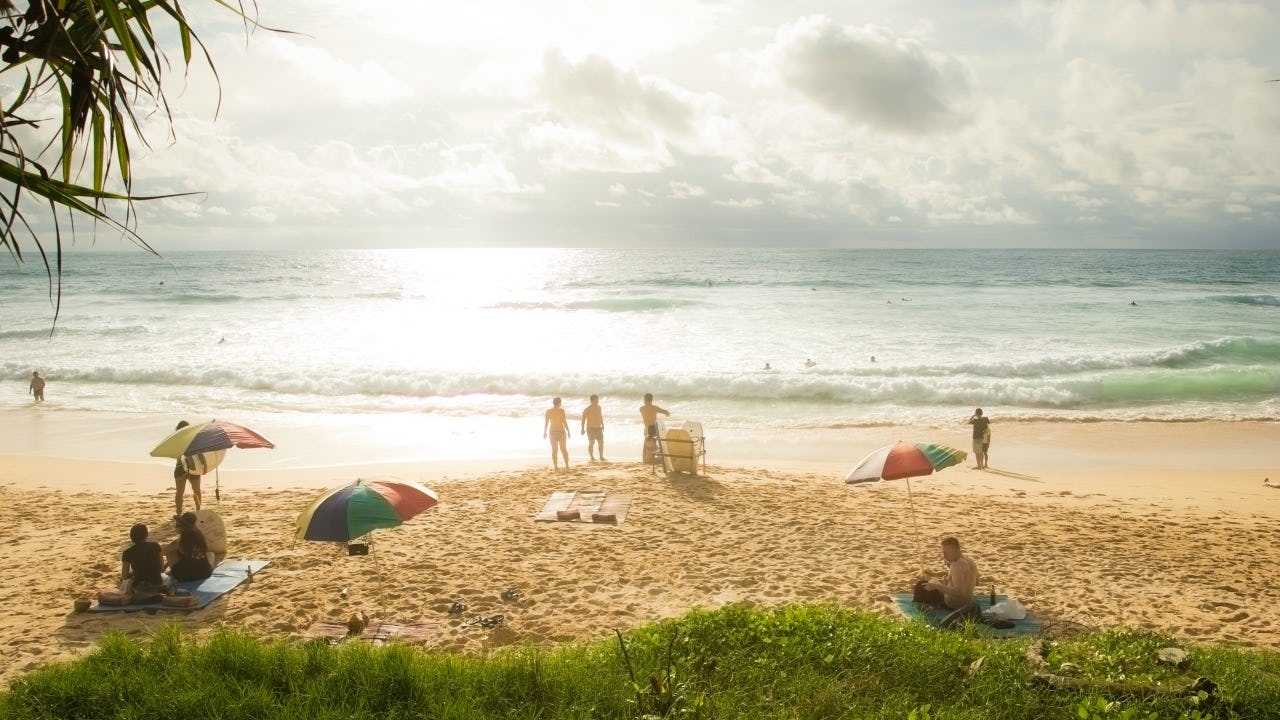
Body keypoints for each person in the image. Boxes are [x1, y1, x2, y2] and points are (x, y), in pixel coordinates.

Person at [913, 536, 979, 611]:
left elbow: (959, 592)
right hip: (968, 601)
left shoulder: (956, 566)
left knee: (923, 584)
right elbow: (976, 582)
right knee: (934, 581)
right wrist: (949, 581)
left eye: (946, 552)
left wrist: (937, 586)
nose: (944, 556)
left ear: (955, 550)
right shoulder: (971, 561)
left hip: (954, 604)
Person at [120, 523, 170, 595]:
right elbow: (161, 568)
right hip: (157, 583)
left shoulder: (127, 552)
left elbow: (124, 576)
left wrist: (134, 573)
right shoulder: (155, 546)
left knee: (127, 582)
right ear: (146, 535)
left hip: (139, 587)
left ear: (131, 537)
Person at [166, 512, 213, 582]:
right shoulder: (199, 534)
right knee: (211, 554)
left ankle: (173, 572)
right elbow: (204, 550)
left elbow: (164, 551)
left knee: (170, 552)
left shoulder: (180, 540)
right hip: (205, 573)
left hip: (186, 576)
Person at [171, 420, 202, 521]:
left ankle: (179, 514)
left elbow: (173, 454)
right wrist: (204, 466)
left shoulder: (175, 440)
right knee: (196, 491)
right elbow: (200, 455)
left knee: (179, 492)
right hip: (193, 466)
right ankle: (198, 511)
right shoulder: (194, 439)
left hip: (180, 467)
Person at [639, 393, 670, 463]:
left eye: (644, 399)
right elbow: (664, 411)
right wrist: (667, 413)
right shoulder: (655, 408)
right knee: (653, 442)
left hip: (647, 428)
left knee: (648, 443)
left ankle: (648, 459)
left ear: (645, 400)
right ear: (651, 400)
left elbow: (644, 412)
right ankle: (656, 455)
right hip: (654, 428)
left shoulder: (641, 409)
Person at [542, 397, 570, 471]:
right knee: (563, 449)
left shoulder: (548, 411)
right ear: (559, 403)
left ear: (553, 403)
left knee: (554, 450)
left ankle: (556, 467)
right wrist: (568, 431)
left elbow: (546, 423)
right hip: (561, 432)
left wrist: (544, 432)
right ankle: (567, 465)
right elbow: (564, 422)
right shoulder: (561, 411)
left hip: (552, 432)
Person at [581, 394, 606, 462]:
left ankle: (601, 456)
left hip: (598, 428)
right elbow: (583, 420)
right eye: (596, 400)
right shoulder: (587, 409)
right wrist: (582, 429)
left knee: (601, 442)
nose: (598, 401)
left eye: (598, 400)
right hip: (590, 428)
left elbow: (600, 416)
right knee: (592, 443)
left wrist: (602, 425)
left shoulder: (599, 407)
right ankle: (592, 457)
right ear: (592, 400)